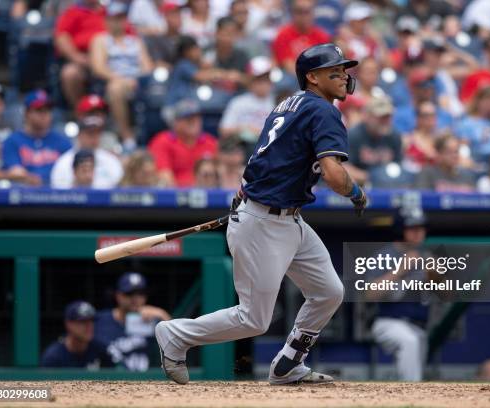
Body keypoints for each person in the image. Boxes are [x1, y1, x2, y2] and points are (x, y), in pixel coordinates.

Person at [155, 43, 366, 385]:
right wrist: (356, 192)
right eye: (334, 71)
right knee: (254, 319)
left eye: (344, 70)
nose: (343, 76)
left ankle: (288, 363)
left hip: (286, 218)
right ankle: (176, 334)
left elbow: (270, 157)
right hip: (263, 221)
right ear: (312, 77)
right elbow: (332, 173)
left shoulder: (288, 104)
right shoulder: (324, 110)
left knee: (329, 291)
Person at [368, 210, 432, 381]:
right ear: (400, 229)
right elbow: (369, 294)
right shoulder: (385, 255)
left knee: (415, 359)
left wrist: (436, 276)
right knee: (409, 342)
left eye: (421, 227)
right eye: (412, 228)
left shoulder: (427, 255)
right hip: (389, 322)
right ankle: (413, 397)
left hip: (419, 325)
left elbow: (448, 294)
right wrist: (400, 270)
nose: (418, 232)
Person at [89, 1, 154, 147]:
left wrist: (140, 79)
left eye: (121, 18)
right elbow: (98, 67)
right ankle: (127, 136)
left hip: (138, 82)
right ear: (107, 20)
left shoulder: (135, 41)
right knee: (115, 89)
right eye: (114, 18)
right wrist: (122, 80)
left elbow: (147, 66)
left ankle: (154, 132)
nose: (118, 22)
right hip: (115, 80)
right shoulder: (101, 40)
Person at [95, 272, 171, 372]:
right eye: (129, 293)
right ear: (118, 295)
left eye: (141, 293)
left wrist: (162, 314)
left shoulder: (153, 320)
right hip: (109, 382)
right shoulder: (101, 320)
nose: (136, 298)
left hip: (146, 383)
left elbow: (176, 342)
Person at [2, 90, 72, 186]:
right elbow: (16, 173)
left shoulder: (62, 141)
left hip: (57, 195)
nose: (44, 115)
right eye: (39, 110)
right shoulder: (12, 141)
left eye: (48, 110)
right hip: (23, 195)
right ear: (26, 113)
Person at [148, 99, 218, 187]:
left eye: (197, 118)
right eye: (188, 119)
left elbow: (220, 173)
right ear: (176, 122)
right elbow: (164, 175)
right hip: (174, 195)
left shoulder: (210, 142)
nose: (194, 122)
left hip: (208, 193)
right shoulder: (163, 141)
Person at [54, 0, 106, 107]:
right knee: (70, 73)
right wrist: (76, 57)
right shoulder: (72, 12)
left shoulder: (111, 12)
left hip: (110, 59)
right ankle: (81, 111)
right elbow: (61, 38)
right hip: (83, 59)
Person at [50, 114, 124, 189]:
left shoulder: (111, 160)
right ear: (79, 135)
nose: (94, 138)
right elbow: (59, 193)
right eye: (90, 134)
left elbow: (119, 189)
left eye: (97, 133)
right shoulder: (64, 162)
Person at [219, 56, 275, 152]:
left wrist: (258, 132)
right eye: (259, 80)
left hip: (269, 149)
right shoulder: (238, 102)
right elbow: (224, 130)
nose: (264, 84)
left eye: (266, 79)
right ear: (250, 81)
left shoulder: (279, 102)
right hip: (242, 148)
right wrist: (244, 129)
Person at [345, 95, 402, 186]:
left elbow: (399, 166)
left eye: (388, 117)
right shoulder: (354, 135)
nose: (385, 121)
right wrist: (373, 177)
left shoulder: (394, 136)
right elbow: (344, 168)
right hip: (361, 186)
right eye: (381, 117)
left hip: (389, 185)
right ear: (367, 116)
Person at [41, 301, 113, 369]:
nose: (89, 326)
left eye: (91, 321)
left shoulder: (101, 350)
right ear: (68, 324)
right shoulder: (53, 357)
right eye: (83, 321)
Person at [271, 0, 331, 73]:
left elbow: (325, 63)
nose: (304, 17)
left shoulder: (321, 36)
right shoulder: (283, 35)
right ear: (293, 13)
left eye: (307, 12)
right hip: (293, 77)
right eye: (299, 12)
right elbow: (288, 65)